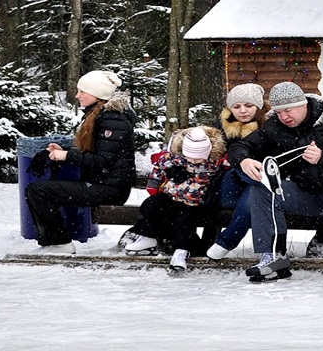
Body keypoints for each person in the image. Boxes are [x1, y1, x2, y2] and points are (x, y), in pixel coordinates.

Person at [228, 81, 323, 285]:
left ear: (303, 104)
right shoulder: (274, 127)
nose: (284, 117)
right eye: (278, 112)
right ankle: (273, 255)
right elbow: (241, 146)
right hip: (307, 194)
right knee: (262, 188)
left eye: (288, 110)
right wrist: (243, 160)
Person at [25, 70, 137, 254]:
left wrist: (66, 156)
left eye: (82, 91)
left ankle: (59, 243)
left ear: (97, 94)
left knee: (38, 191)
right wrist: (63, 152)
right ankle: (54, 242)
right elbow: (95, 151)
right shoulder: (101, 115)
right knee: (38, 190)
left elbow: (103, 161)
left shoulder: (112, 119)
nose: (77, 95)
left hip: (110, 189)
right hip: (102, 184)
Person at [123, 126, 226, 273]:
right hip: (171, 195)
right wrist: (154, 186)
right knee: (151, 205)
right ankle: (147, 236)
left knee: (183, 219)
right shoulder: (174, 158)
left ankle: (181, 250)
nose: (194, 160)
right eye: (190, 156)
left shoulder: (214, 163)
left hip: (194, 202)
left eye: (198, 157)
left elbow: (226, 167)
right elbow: (158, 167)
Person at [203, 83, 267, 260]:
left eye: (249, 106)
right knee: (251, 178)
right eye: (236, 106)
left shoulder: (270, 127)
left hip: (258, 188)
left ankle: (226, 241)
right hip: (229, 185)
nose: (243, 111)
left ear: (259, 107)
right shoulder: (221, 128)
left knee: (256, 191)